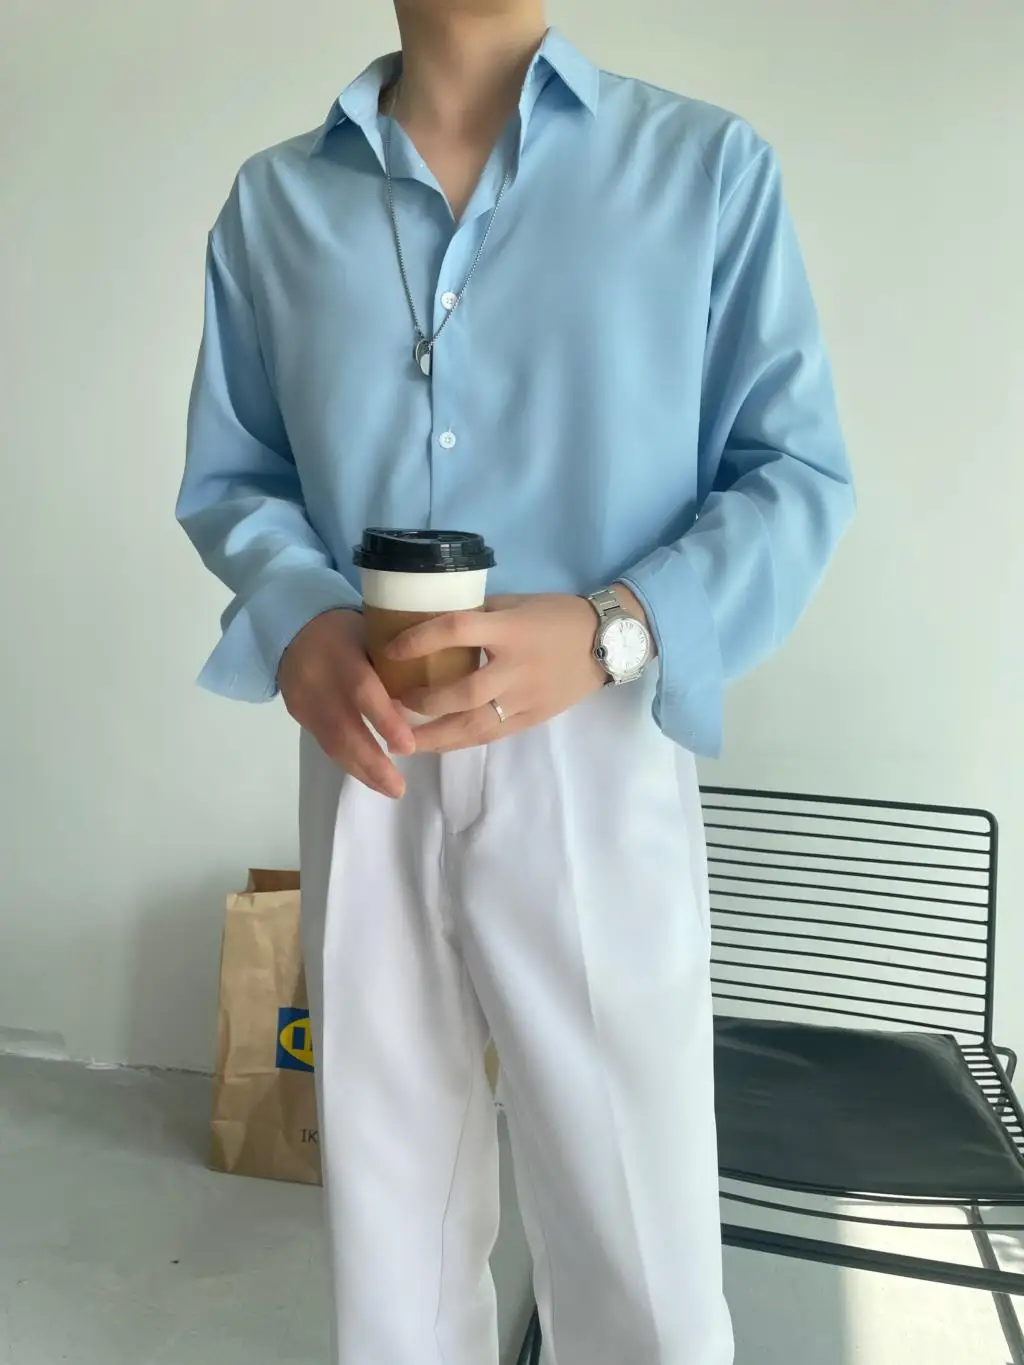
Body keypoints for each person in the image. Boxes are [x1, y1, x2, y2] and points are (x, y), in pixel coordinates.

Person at [178, 2, 854, 1362]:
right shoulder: (274, 205)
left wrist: (613, 629)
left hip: (595, 749)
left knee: (639, 1251)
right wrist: (301, 619)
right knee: (390, 1239)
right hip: (367, 745)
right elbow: (238, 474)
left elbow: (794, 477)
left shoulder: (703, 170)